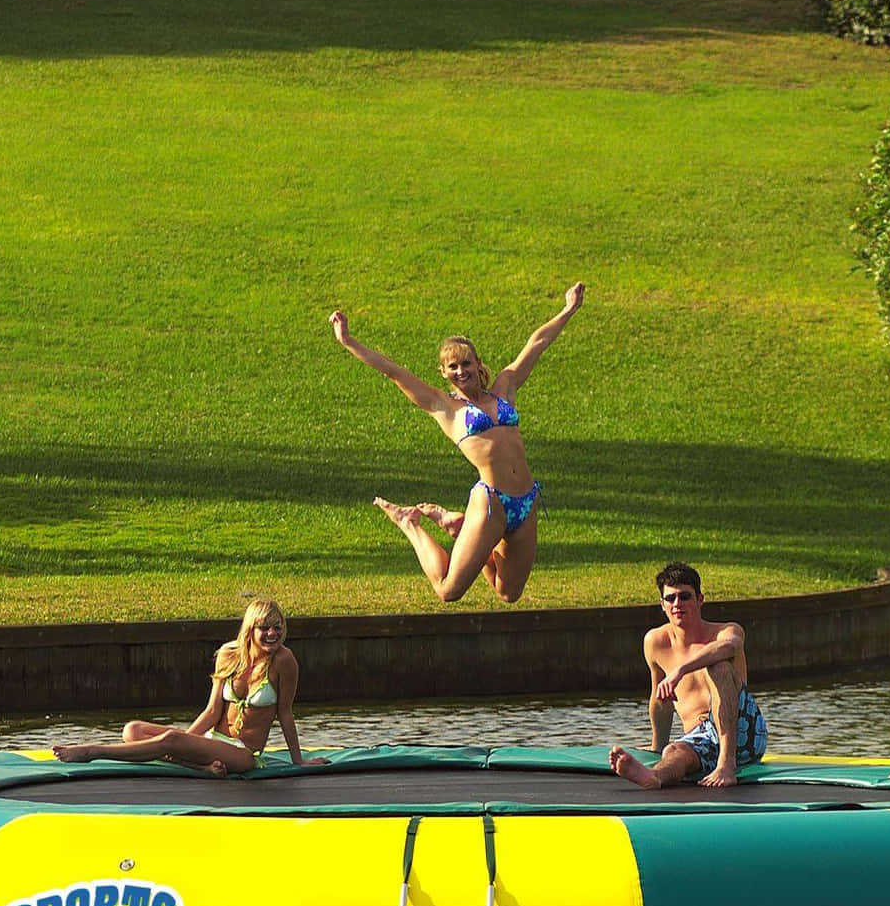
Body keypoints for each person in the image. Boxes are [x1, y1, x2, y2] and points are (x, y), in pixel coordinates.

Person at [329, 283, 585, 603]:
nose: (461, 371)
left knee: (508, 593)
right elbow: (393, 371)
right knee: (448, 590)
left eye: (466, 363)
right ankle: (410, 524)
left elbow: (537, 343)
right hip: (491, 503)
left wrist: (567, 310)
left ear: (478, 364)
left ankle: (458, 526)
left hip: (527, 499)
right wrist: (348, 340)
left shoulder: (504, 388)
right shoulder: (445, 407)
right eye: (453, 366)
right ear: (444, 372)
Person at [53, 597, 324, 774]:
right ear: (250, 629)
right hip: (211, 742)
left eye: (277, 627)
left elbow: (285, 714)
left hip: (243, 752)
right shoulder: (229, 655)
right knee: (132, 729)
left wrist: (298, 761)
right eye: (265, 628)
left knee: (170, 740)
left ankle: (93, 751)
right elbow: (212, 711)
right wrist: (187, 742)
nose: (272, 634)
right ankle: (201, 766)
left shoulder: (284, 661)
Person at [609, 561, 768, 788]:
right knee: (674, 752)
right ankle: (654, 778)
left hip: (744, 733)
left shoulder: (726, 631)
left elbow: (729, 647)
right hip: (699, 738)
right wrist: (657, 746)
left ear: (700, 599)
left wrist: (680, 670)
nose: (677, 604)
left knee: (718, 666)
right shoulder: (655, 642)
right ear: (662, 604)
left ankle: (726, 765)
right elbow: (660, 699)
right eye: (670, 598)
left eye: (685, 597)